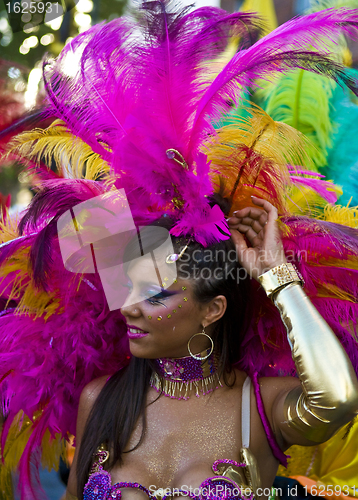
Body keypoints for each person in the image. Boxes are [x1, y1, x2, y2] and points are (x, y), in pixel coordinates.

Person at [1, 3, 358, 500]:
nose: (129, 305)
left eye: (157, 294)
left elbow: (337, 400)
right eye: (131, 286)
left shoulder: (255, 404)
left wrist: (277, 274)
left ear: (212, 310)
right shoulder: (100, 397)